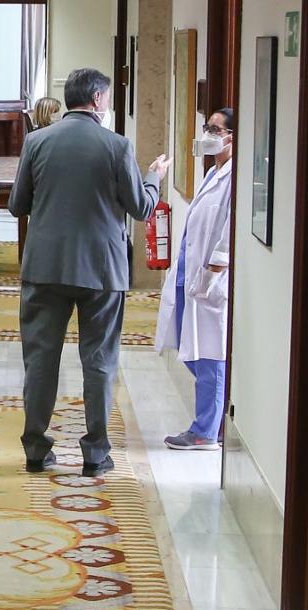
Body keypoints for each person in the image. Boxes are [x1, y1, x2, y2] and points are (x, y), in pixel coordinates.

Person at [10, 68, 171, 477]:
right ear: (99, 99)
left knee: (41, 360)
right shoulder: (117, 146)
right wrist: (154, 177)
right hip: (101, 271)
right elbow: (140, 207)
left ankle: (35, 448)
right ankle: (95, 454)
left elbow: (17, 204)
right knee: (99, 360)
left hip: (45, 266)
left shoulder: (36, 141)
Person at [154, 108, 234, 451]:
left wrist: (214, 272)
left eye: (215, 129)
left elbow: (228, 231)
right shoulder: (212, 172)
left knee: (210, 357)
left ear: (232, 136)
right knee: (191, 353)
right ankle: (213, 421)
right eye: (207, 127)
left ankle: (205, 430)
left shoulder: (235, 178)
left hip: (211, 281)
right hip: (190, 274)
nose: (207, 133)